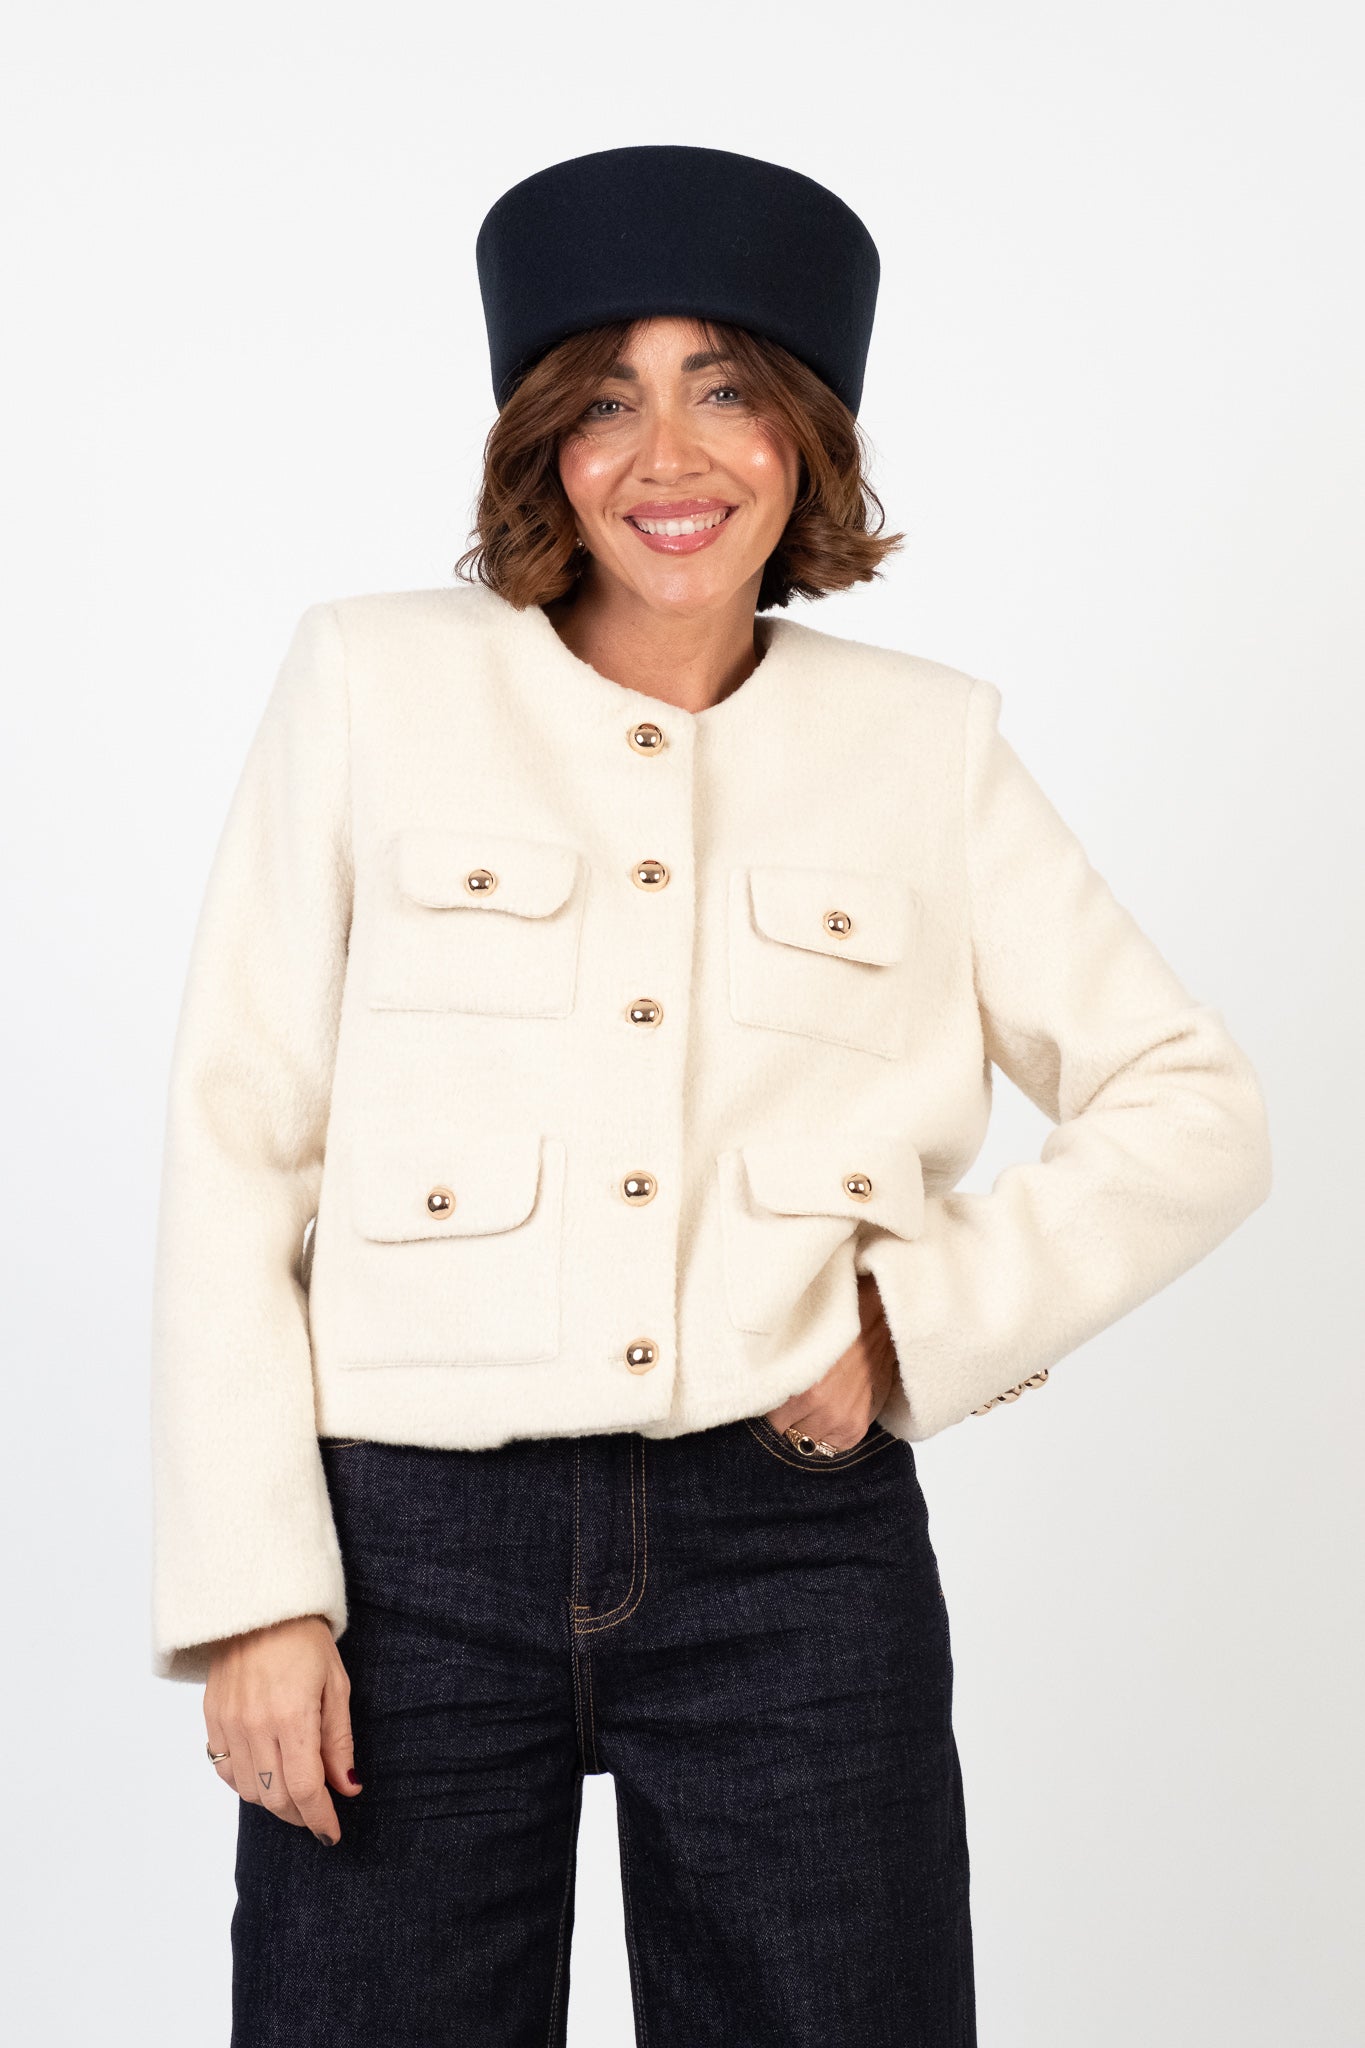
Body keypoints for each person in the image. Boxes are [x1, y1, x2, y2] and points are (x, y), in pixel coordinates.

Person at [148, 145, 1273, 2047]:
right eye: (605, 402)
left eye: (726, 390)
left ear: (805, 438)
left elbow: (1192, 1102)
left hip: (790, 1552)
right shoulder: (368, 682)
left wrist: (910, 1325)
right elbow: (234, 1139)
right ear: (543, 449)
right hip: (404, 1549)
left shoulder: (925, 743)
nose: (667, 458)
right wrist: (255, 1593)